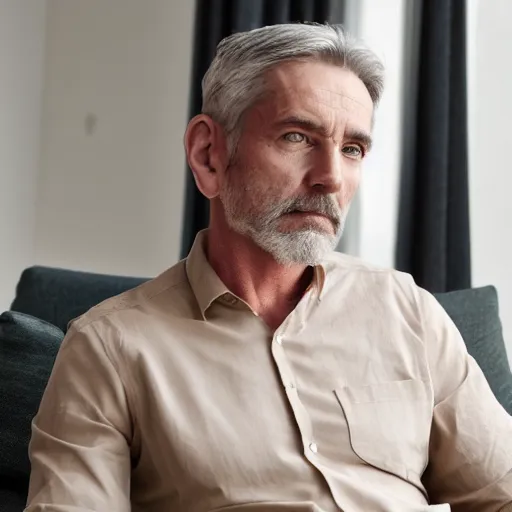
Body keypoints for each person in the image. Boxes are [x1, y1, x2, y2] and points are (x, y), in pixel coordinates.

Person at [25, 23, 512, 512]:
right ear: (209, 154)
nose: (330, 177)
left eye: (352, 149)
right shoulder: (108, 350)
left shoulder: (409, 313)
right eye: (297, 136)